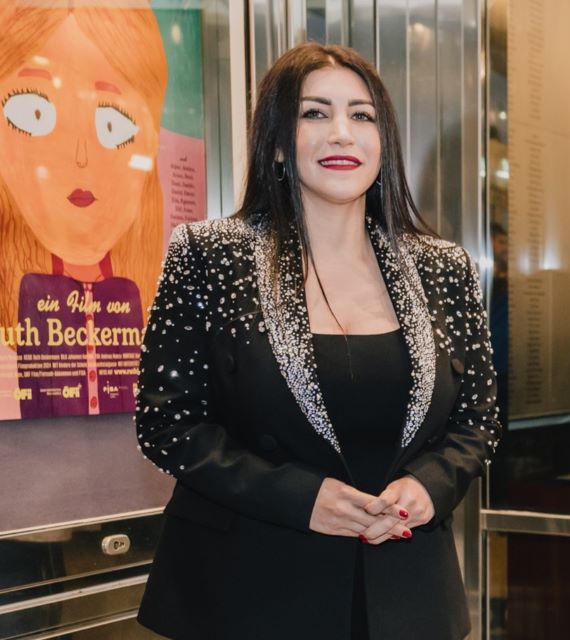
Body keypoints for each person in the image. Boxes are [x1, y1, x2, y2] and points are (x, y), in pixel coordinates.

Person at [135, 42, 501, 640]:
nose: (342, 133)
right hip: (247, 590)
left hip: (408, 592)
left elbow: (477, 420)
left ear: (383, 140)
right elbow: (167, 424)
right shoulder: (208, 255)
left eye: (362, 115)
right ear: (278, 142)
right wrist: (301, 498)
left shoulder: (443, 267)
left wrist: (430, 487)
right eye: (314, 113)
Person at [0, 0, 166, 418]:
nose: (79, 156)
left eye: (113, 124)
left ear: (152, 141)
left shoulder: (155, 307)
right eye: (33, 113)